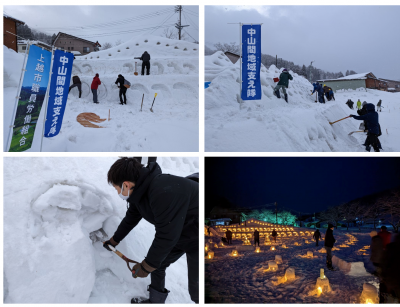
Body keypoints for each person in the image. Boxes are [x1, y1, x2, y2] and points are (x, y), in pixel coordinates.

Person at [102, 158, 199, 304]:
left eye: (117, 189)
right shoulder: (140, 193)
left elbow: (166, 236)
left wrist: (146, 267)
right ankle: (156, 301)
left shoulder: (163, 191)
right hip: (181, 233)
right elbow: (131, 218)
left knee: (198, 291)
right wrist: (114, 241)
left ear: (126, 185)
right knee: (157, 266)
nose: (118, 193)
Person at [380, 234, 400, 302]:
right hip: (392, 277)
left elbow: (385, 262)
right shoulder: (390, 248)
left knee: (390, 296)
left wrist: (383, 275)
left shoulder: (390, 248)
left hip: (391, 278)